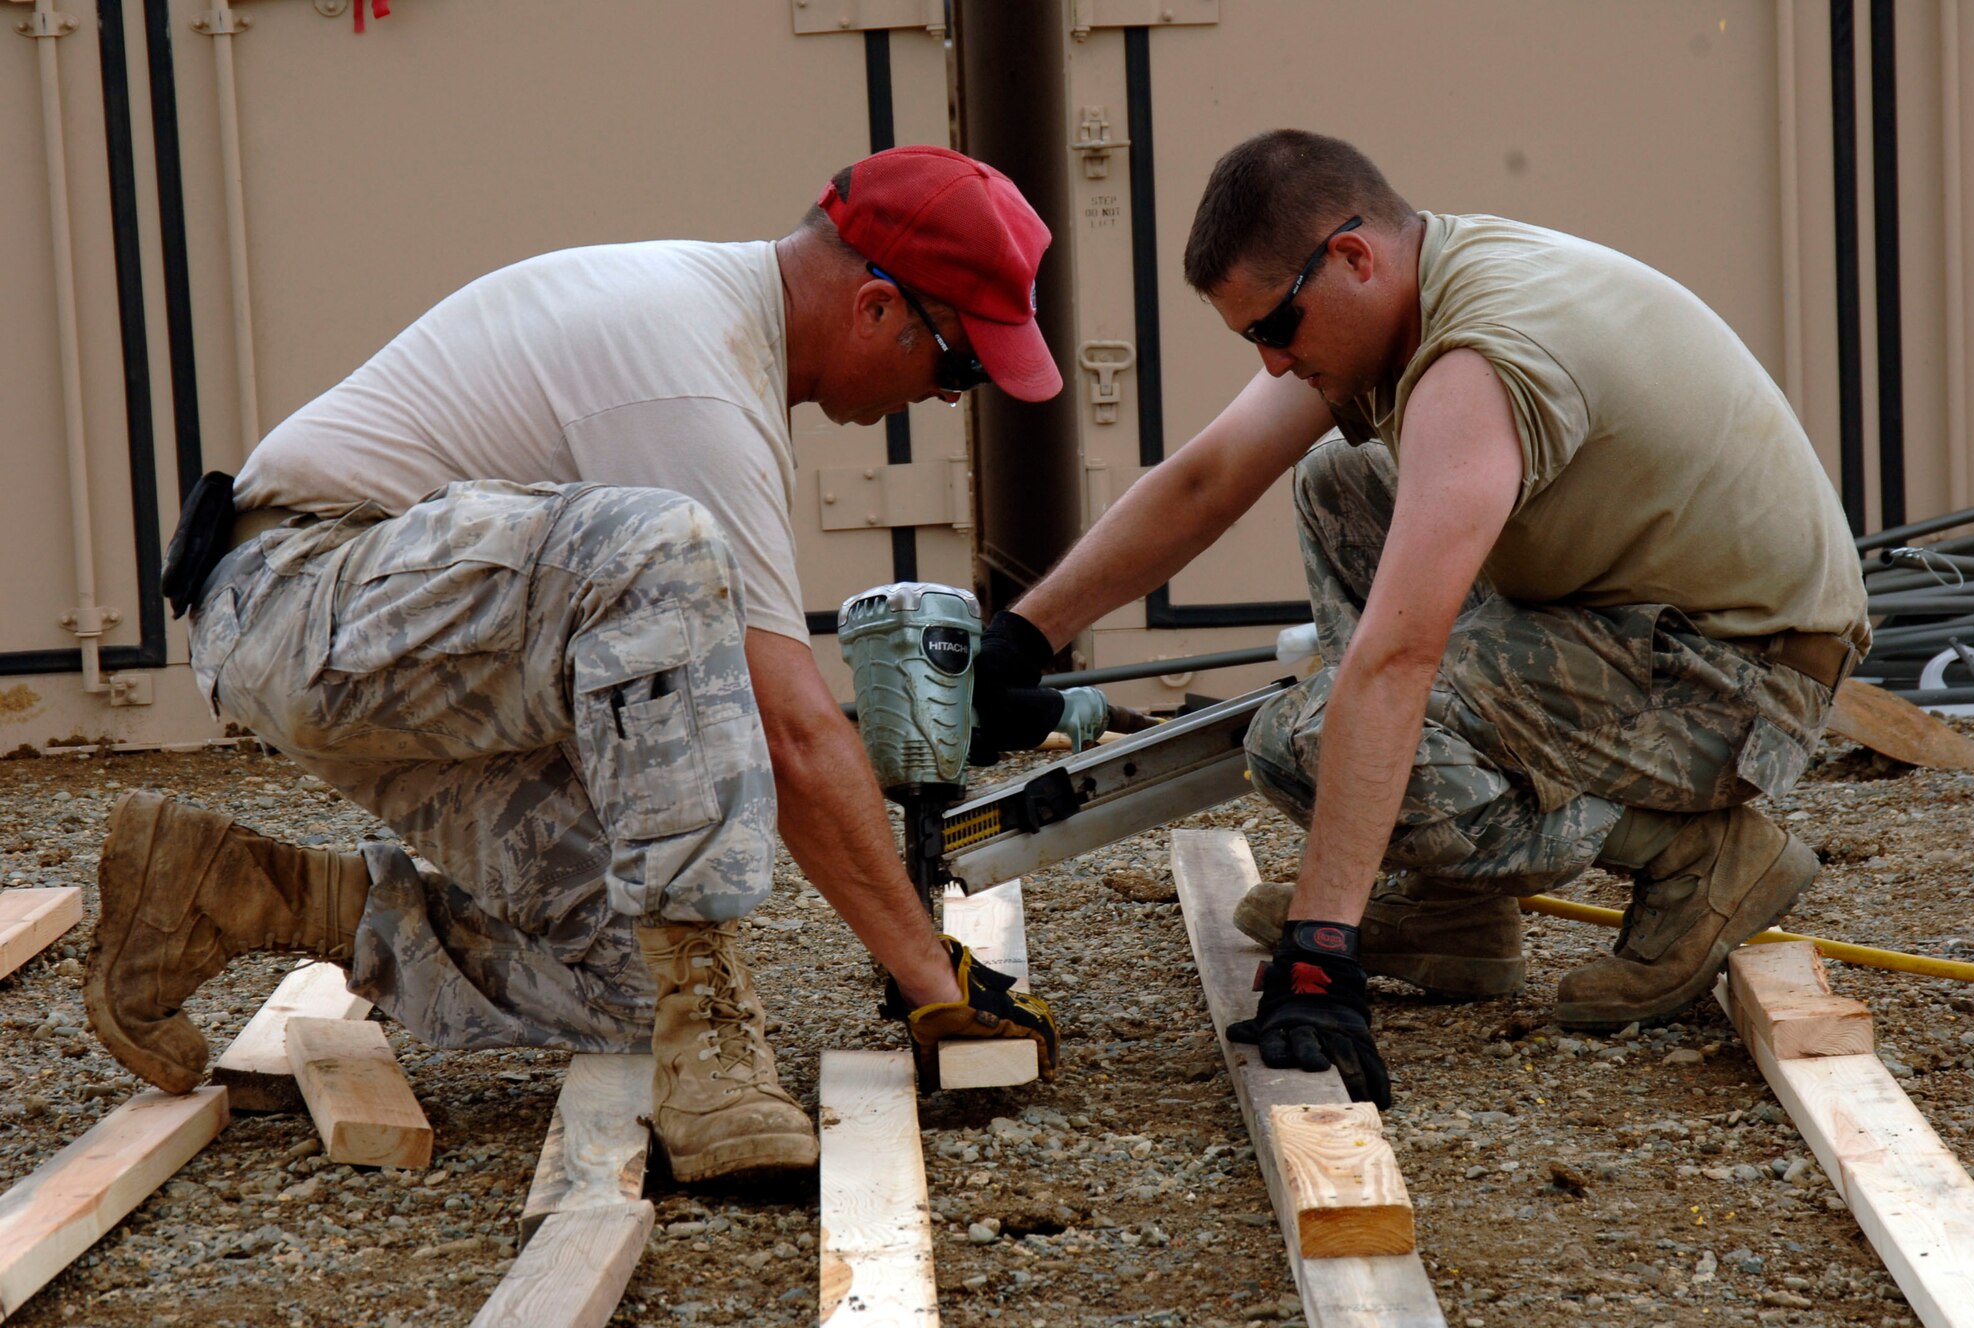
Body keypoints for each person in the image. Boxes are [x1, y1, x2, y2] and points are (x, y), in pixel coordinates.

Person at [85, 145, 1061, 1182]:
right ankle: (715, 1072)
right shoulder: (693, 378)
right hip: (297, 595)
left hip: (386, 638)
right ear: (875, 308)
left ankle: (241, 891)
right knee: (667, 553)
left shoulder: (717, 336)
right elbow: (791, 732)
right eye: (957, 364)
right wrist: (931, 978)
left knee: (626, 986)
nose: (951, 397)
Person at [971, 130, 1867, 1109]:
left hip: (1735, 681)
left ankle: (1696, 856)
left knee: (1304, 742)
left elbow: (1395, 659)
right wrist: (1021, 636)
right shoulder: (1411, 290)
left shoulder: (1476, 360)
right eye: (1249, 340)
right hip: (1640, 615)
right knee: (1339, 481)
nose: (1270, 361)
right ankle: (1455, 908)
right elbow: (1204, 477)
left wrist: (1318, 952)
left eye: (1277, 325)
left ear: (1351, 256)